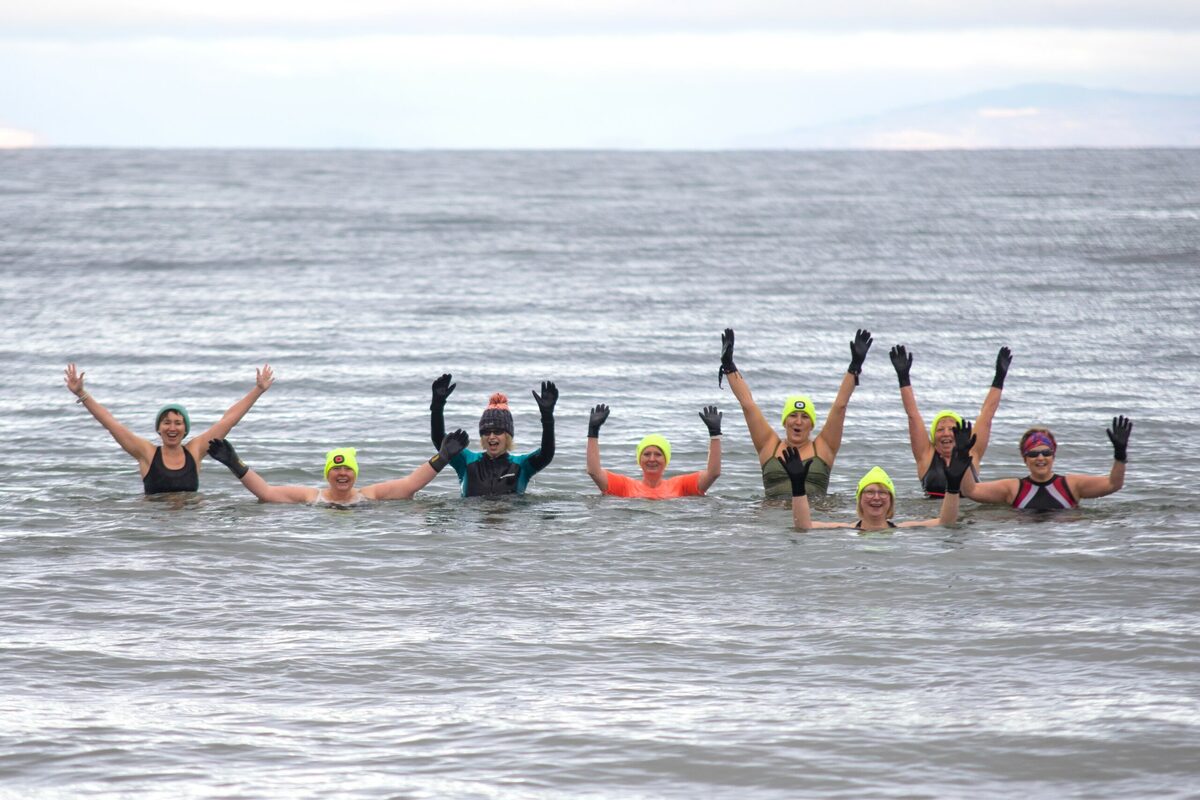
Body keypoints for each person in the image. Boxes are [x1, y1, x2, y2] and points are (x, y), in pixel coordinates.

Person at [63, 362, 275, 495]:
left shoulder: (195, 450)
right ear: (158, 429)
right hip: (156, 525)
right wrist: (82, 394)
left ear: (185, 430)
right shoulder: (146, 453)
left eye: (178, 423)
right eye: (166, 422)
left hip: (190, 523)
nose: (172, 427)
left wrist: (258, 390)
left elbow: (228, 421)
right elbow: (111, 423)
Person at [718, 328, 872, 500]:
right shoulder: (769, 446)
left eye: (805, 417)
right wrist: (729, 366)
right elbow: (748, 405)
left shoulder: (823, 447)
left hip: (815, 519)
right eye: (793, 415)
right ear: (784, 421)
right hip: (774, 520)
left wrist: (854, 367)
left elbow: (840, 406)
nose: (798, 421)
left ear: (812, 424)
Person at [778, 422, 974, 531]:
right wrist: (798, 487)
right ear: (860, 499)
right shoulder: (844, 528)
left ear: (891, 501)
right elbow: (804, 526)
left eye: (883, 492)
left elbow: (946, 522)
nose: (876, 497)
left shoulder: (902, 528)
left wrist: (954, 485)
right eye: (870, 492)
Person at [205, 431, 469, 506]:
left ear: (355, 474)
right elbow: (267, 493)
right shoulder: (312, 497)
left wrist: (443, 457)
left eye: (347, 470)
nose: (342, 474)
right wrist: (234, 463)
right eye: (335, 470)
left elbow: (411, 484)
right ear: (327, 474)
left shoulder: (370, 495)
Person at [888, 344, 1012, 497]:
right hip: (933, 516)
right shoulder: (926, 455)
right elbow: (913, 415)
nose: (946, 433)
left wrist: (999, 377)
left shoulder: (971, 453)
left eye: (952, 429)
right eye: (940, 430)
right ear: (933, 438)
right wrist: (903, 378)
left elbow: (987, 415)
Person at [962, 417, 1132, 510]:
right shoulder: (1013, 488)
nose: (1041, 458)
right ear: (1025, 459)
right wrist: (962, 455)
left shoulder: (1072, 485)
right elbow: (970, 490)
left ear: (1053, 456)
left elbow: (1113, 484)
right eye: (1034, 453)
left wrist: (1120, 454)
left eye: (1046, 453)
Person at [429, 374, 557, 497]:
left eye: (497, 432)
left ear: (508, 436)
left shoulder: (521, 465)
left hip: (510, 517)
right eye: (486, 432)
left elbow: (546, 454)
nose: (491, 436)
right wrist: (437, 407)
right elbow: (439, 440)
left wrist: (547, 417)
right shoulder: (466, 461)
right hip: (473, 516)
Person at [586, 403, 721, 499]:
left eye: (658, 454)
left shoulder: (681, 485)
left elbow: (713, 473)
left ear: (666, 460)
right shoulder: (624, 486)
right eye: (646, 454)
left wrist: (714, 435)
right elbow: (594, 472)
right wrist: (593, 432)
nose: (652, 459)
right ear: (639, 459)